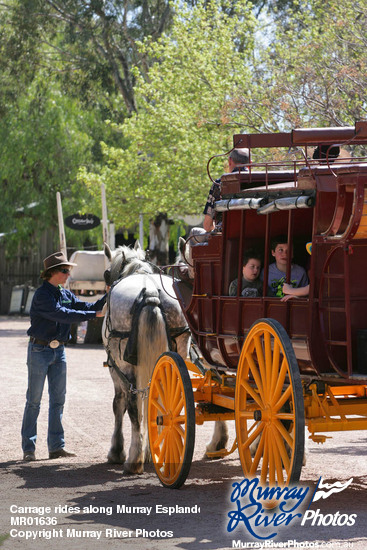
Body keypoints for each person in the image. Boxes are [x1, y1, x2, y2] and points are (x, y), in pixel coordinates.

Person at [21, 251, 107, 462]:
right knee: (34, 401)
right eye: (64, 270)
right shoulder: (42, 296)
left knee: (58, 401)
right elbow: (63, 314)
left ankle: (56, 447)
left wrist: (109, 294)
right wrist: (94, 315)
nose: (68, 274)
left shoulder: (64, 293)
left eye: (68, 270)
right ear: (52, 273)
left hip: (57, 351)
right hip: (40, 351)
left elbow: (88, 306)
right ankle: (29, 449)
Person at [203, 147, 250, 232]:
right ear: (250, 163)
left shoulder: (220, 183)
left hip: (225, 233)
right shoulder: (264, 180)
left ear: (229, 161)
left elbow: (207, 226)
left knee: (194, 232)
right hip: (254, 231)